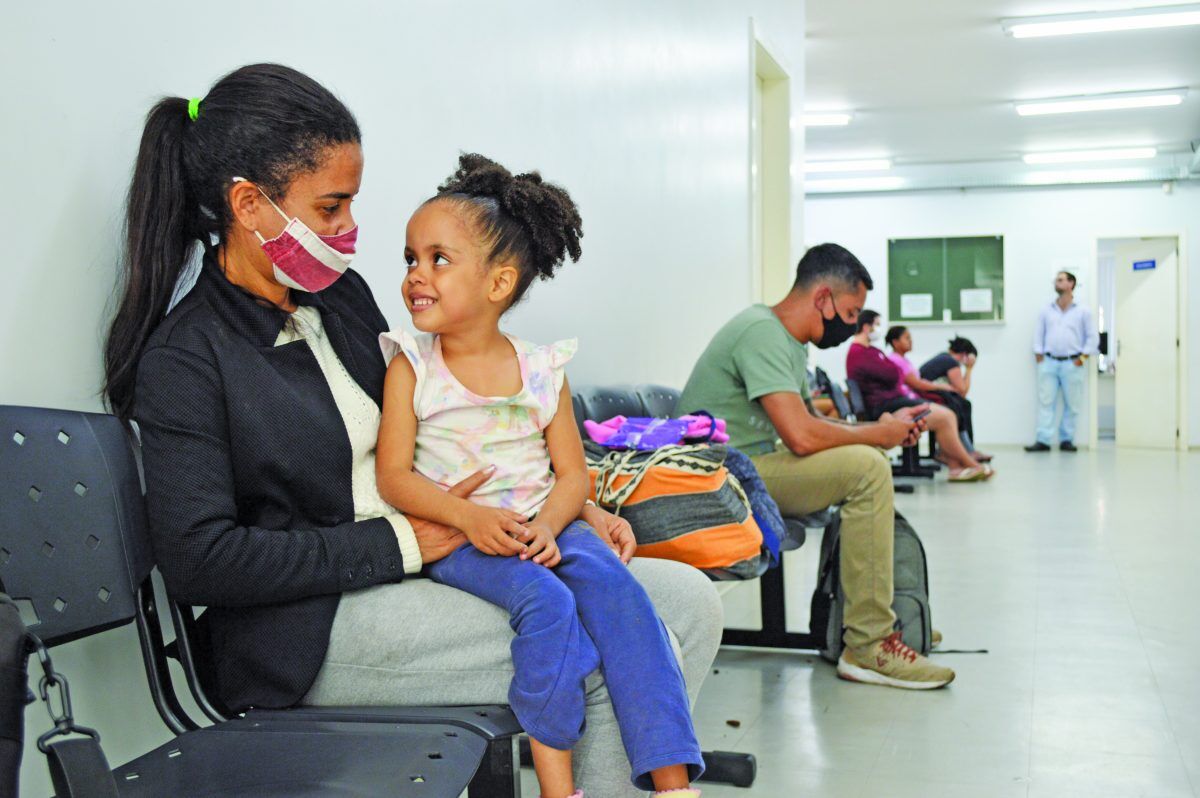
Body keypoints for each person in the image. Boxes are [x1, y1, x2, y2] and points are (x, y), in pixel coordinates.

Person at [103, 64, 722, 798]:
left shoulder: (341, 298)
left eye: (351, 206)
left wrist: (564, 503)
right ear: (248, 203)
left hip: (445, 551)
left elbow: (439, 424)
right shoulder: (188, 357)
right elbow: (203, 563)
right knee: (591, 647)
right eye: (331, 208)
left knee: (686, 599)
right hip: (310, 627)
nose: (348, 232)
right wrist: (402, 541)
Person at [374, 154, 702, 798]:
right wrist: (470, 517)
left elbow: (573, 476)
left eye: (438, 259)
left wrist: (551, 529)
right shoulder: (411, 365)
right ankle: (558, 790)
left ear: (498, 283)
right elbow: (394, 479)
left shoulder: (544, 370)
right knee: (548, 604)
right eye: (411, 258)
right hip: (461, 535)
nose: (416, 275)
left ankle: (672, 782)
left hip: (543, 524)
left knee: (624, 599)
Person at [678, 243, 956, 689]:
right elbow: (803, 437)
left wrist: (880, 427)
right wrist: (874, 436)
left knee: (866, 460)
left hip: (751, 467)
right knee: (866, 468)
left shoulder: (788, 341)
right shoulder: (761, 332)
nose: (853, 325)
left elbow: (812, 423)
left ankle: (869, 618)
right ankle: (869, 645)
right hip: (720, 478)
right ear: (823, 298)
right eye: (851, 312)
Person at [848, 314, 989, 481]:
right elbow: (894, 375)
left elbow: (894, 374)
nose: (879, 329)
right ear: (866, 327)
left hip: (894, 400)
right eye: (877, 324)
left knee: (951, 411)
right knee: (946, 416)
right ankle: (966, 463)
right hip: (884, 406)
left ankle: (958, 464)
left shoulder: (872, 351)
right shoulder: (859, 352)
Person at [886, 327, 990, 463]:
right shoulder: (949, 361)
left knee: (960, 404)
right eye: (907, 338)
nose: (911, 341)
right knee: (958, 406)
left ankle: (961, 451)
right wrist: (969, 369)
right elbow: (962, 390)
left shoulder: (907, 360)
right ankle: (960, 453)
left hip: (917, 396)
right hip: (914, 397)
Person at [1027, 270, 1098, 452]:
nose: (1056, 283)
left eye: (1060, 280)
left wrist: (1082, 358)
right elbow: (1038, 334)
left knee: (1072, 404)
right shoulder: (1046, 310)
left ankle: (1067, 439)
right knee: (1045, 402)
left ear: (1071, 284)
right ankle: (1043, 440)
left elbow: (1092, 338)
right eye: (1056, 280)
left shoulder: (1083, 311)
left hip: (1072, 363)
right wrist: (1039, 354)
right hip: (1048, 362)